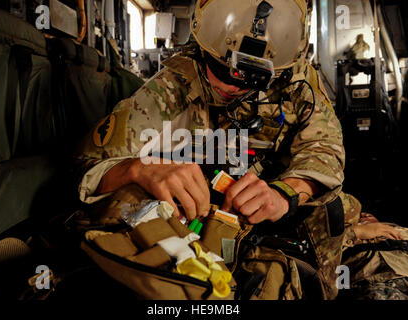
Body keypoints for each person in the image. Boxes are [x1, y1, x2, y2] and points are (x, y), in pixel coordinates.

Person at [74, 0, 358, 299]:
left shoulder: (298, 83)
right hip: (203, 204)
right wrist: (137, 168)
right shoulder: (170, 88)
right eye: (221, 68)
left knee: (334, 209)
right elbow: (86, 164)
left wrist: (286, 193)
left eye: (250, 77)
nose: (232, 86)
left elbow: (325, 149)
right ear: (202, 49)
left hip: (268, 196)